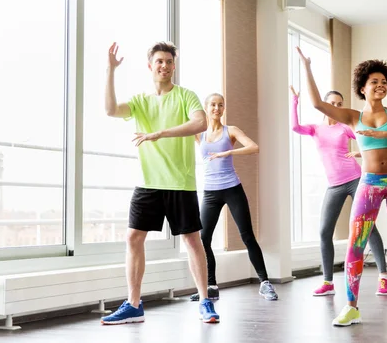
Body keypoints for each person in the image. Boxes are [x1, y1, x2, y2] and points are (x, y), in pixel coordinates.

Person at [296, 47, 387, 327]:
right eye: (374, 82)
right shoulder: (353, 117)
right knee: (356, 244)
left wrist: (385, 133)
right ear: (363, 88)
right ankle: (352, 307)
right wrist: (306, 67)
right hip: (369, 184)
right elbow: (318, 104)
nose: (380, 86)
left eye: (384, 82)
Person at [100, 41, 219, 324]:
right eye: (159, 61)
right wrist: (110, 71)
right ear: (150, 66)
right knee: (133, 237)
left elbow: (200, 123)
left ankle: (205, 301)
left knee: (192, 240)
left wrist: (160, 133)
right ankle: (134, 304)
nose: (164, 65)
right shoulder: (141, 101)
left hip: (180, 182)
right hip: (148, 183)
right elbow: (110, 110)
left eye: (168, 61)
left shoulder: (186, 96)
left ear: (173, 66)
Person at [289, 86, 387, 296]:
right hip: (334, 184)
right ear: (324, 106)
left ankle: (383, 276)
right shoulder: (315, 129)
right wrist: (294, 101)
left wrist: (360, 153)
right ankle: (327, 282)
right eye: (331, 103)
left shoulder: (344, 127)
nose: (335, 107)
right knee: (325, 232)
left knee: (368, 228)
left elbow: (368, 140)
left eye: (339, 104)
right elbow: (295, 127)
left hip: (355, 180)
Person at [188, 93, 278, 302]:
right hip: (210, 192)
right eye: (213, 105)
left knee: (247, 236)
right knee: (203, 239)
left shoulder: (231, 131)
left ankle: (265, 283)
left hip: (232, 188)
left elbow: (254, 147)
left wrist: (229, 153)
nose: (217, 109)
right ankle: (210, 285)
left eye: (220, 105)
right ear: (206, 107)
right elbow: (182, 127)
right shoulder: (198, 134)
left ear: (224, 108)